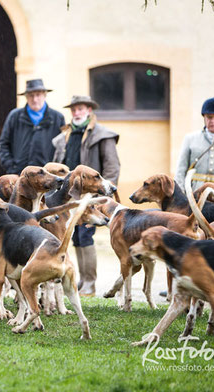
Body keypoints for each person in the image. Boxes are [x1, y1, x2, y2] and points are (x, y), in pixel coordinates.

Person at [52, 95, 120, 296]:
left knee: (86, 235)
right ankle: (81, 282)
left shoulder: (102, 134)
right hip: (69, 195)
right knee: (73, 237)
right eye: (73, 109)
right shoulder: (64, 136)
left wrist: (104, 196)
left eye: (80, 109)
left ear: (89, 110)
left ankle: (90, 282)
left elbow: (112, 167)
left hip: (92, 194)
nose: (76, 112)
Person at [0, 79, 65, 174]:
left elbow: (62, 148)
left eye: (38, 95)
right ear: (26, 97)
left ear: (44, 95)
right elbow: (3, 144)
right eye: (31, 95)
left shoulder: (58, 118)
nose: (34, 99)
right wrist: (11, 166)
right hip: (20, 175)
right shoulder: (14, 116)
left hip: (48, 177)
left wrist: (54, 171)